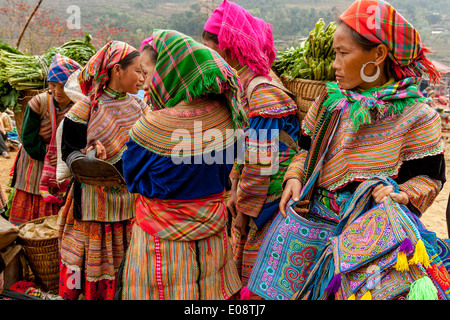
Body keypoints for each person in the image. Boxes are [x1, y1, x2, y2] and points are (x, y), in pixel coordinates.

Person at [273, 0, 447, 300]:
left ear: (378, 54)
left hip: (372, 241)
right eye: (334, 54)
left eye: (343, 54)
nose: (334, 64)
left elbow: (429, 179)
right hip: (311, 229)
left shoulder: (418, 116)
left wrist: (402, 194)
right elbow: (305, 150)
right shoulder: (329, 103)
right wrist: (294, 177)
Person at [118, 30, 246, 300]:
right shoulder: (225, 116)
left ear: (167, 71)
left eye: (146, 71)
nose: (144, 83)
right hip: (213, 238)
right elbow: (228, 168)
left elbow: (131, 179)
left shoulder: (153, 126)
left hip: (162, 245)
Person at [202, 0, 300, 299]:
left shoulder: (261, 90)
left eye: (212, 51)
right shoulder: (244, 83)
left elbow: (260, 163)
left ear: (230, 48)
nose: (209, 59)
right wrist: (234, 186)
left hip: (269, 204)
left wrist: (243, 210)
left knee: (258, 280)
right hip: (255, 198)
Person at [57, 41, 148, 301]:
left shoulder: (139, 106)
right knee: (98, 271)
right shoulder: (87, 107)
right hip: (95, 209)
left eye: (144, 72)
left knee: (128, 272)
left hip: (131, 206)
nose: (142, 78)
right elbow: (68, 153)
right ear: (117, 70)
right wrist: (90, 157)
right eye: (138, 71)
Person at [8, 54, 81, 225]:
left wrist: (64, 158)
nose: (57, 91)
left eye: (62, 86)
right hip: (34, 164)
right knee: (31, 215)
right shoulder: (38, 103)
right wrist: (48, 157)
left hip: (63, 166)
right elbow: (28, 139)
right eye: (52, 85)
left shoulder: (79, 106)